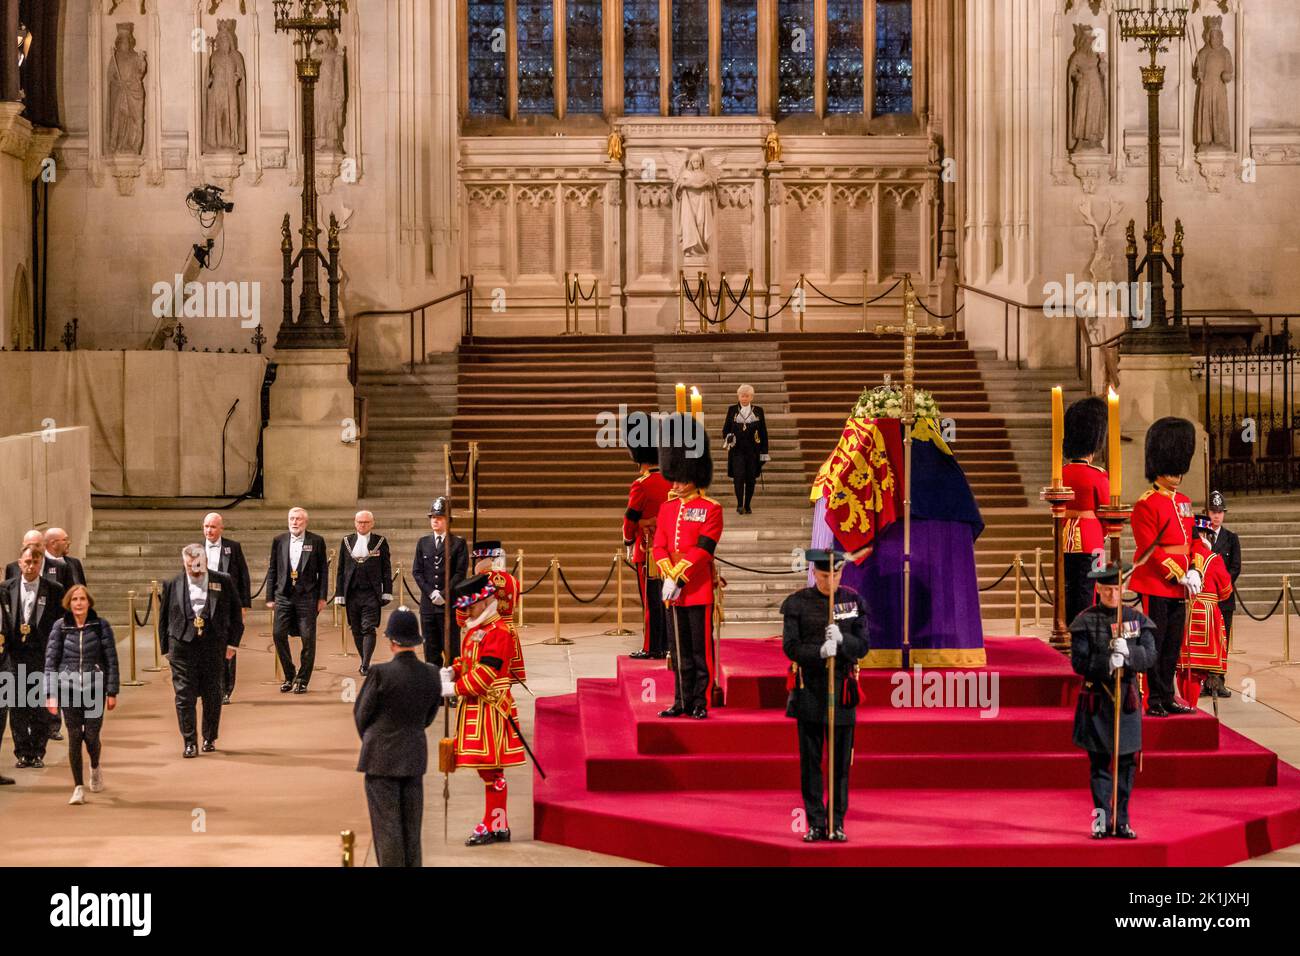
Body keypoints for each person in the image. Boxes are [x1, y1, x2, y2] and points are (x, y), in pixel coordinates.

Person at [781, 549, 869, 843]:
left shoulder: (852, 602)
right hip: (810, 691)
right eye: (823, 575)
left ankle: (837, 821)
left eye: (835, 575)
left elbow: (863, 646)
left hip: (842, 690)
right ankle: (816, 822)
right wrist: (819, 651)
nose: (829, 581)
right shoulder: (797, 603)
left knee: (841, 764)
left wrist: (843, 642)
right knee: (811, 763)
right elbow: (791, 647)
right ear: (813, 574)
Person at [1069, 563, 1157, 839]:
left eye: (1117, 589)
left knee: (1126, 766)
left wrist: (1129, 654)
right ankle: (1100, 821)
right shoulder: (1085, 620)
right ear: (1098, 590)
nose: (1112, 595)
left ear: (1123, 590)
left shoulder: (1137, 619)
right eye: (1107, 590)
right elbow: (1078, 662)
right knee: (1099, 765)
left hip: (1127, 701)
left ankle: (1122, 820)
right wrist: (1108, 660)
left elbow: (1150, 655)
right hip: (1097, 700)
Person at [441, 573, 526, 846]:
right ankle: (496, 823)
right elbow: (467, 660)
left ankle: (496, 824)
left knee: (492, 770)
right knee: (488, 771)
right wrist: (452, 671)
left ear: (484, 602)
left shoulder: (498, 632)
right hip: (477, 707)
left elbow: (485, 674)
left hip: (491, 708)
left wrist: (455, 688)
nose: (465, 613)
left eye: (469, 607)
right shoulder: (478, 628)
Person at [354, 607, 441, 867]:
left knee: (387, 829)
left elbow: (361, 714)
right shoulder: (431, 674)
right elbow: (429, 716)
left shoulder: (380, 674)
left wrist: (373, 739)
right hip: (414, 755)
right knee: (411, 830)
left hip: (380, 758)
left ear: (392, 641)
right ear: (417, 641)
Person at [653, 413, 723, 719]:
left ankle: (699, 701)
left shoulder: (711, 509)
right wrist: (667, 572)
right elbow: (659, 545)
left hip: (697, 590)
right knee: (678, 650)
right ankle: (680, 699)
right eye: (675, 478)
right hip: (673, 591)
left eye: (682, 478)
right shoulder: (667, 508)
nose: (677, 484)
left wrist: (679, 576)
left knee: (699, 651)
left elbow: (704, 549)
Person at [1130, 417, 1198, 717]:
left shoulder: (1183, 501)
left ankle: (1168, 695)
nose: (1178, 474)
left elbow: (1193, 540)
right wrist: (1179, 573)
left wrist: (1195, 568)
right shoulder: (1146, 503)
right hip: (1158, 584)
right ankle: (1154, 699)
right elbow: (1149, 549)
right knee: (1154, 643)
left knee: (1173, 644)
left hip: (1180, 586)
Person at [160, 545, 244, 756]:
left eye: (198, 565)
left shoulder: (222, 580)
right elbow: (163, 619)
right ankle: (189, 741)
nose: (194, 569)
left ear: (205, 561)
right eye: (190, 566)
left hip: (213, 645)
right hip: (181, 645)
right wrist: (165, 649)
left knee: (212, 693)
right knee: (184, 696)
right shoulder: (172, 583)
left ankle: (209, 737)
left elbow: (236, 615)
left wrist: (232, 644)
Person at [43, 585, 119, 805]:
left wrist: (112, 691)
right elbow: (51, 661)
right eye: (75, 599)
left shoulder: (101, 626)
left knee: (92, 736)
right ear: (69, 602)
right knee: (75, 737)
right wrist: (50, 693)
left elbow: (111, 660)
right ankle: (78, 786)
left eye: (82, 599)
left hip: (95, 687)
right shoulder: (60, 627)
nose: (78, 603)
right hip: (68, 688)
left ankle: (95, 766)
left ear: (89, 602)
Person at [2, 546, 64, 768]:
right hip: (14, 656)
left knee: (40, 707)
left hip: (42, 656)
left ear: (41, 565)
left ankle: (38, 752)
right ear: (19, 563)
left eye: (35, 562)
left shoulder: (54, 589)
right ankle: (22, 752)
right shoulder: (5, 589)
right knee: (17, 707)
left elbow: (60, 626)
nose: (30, 566)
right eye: (27, 561)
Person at [266, 507, 329, 694]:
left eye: (298, 519)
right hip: (283, 595)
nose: (294, 522)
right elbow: (272, 569)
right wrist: (270, 596)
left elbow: (323, 571)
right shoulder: (279, 540)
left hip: (307, 597)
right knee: (278, 634)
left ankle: (302, 679)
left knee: (308, 639)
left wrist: (322, 597)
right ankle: (289, 674)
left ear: (305, 522)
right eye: (292, 518)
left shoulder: (316, 541)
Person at [622, 421, 671, 660]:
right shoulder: (673, 481)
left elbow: (630, 519)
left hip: (647, 548)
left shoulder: (641, 484)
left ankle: (652, 646)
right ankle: (668, 643)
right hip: (671, 549)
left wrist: (629, 539)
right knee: (667, 599)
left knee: (651, 602)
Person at [1061, 396, 1110, 623]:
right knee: (1091, 588)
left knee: (1069, 587)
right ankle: (1088, 628)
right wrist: (1106, 532)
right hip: (1093, 539)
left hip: (1065, 537)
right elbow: (1106, 510)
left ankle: (1069, 627)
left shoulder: (1062, 473)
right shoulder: (1097, 475)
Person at [1178, 515, 1232, 708]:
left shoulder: (1182, 556)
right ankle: (1191, 708)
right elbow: (1226, 590)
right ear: (1207, 536)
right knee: (1198, 670)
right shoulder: (1214, 559)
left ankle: (1184, 704)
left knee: (1183, 668)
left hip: (1182, 611)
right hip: (1206, 615)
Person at [335, 510, 393, 676]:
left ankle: (365, 664)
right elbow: (341, 570)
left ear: (372, 523)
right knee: (356, 629)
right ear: (355, 523)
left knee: (368, 628)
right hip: (352, 593)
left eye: (366, 522)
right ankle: (364, 659)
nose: (363, 525)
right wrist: (340, 593)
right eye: (360, 522)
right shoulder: (346, 541)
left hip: (371, 594)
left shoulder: (380, 542)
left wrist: (386, 591)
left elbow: (386, 568)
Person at [201, 513, 252, 703]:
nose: (209, 530)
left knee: (227, 646)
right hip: (204, 605)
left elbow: (243, 576)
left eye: (213, 527)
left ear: (221, 528)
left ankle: (226, 689)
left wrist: (244, 605)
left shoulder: (233, 547)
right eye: (206, 526)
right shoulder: (196, 549)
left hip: (228, 604)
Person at [412, 497, 468, 667]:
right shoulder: (423, 543)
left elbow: (459, 574)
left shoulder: (458, 544)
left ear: (447, 520)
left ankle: (452, 689)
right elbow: (417, 572)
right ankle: (434, 689)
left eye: (439, 517)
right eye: (433, 517)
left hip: (448, 605)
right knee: (430, 650)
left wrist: (444, 594)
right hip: (428, 607)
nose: (435, 521)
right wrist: (431, 592)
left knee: (451, 651)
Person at [465, 541, 526, 686]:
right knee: (506, 674)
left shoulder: (478, 581)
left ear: (480, 560)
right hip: (509, 628)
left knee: (486, 673)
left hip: (488, 631)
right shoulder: (512, 580)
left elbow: (469, 611)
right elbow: (515, 603)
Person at [1204, 490, 1239, 698]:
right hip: (1205, 600)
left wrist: (1220, 587)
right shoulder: (1200, 536)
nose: (1216, 516)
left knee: (1222, 641)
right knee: (1206, 640)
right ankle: (1204, 681)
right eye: (1213, 511)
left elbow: (1235, 568)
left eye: (1220, 512)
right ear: (1207, 513)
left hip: (1224, 599)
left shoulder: (1231, 539)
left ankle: (1219, 681)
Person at [721, 385, 769, 516]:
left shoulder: (759, 411)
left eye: (747, 395)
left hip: (753, 452)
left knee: (751, 479)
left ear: (752, 397)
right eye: (742, 395)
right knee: (738, 478)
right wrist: (729, 437)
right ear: (738, 396)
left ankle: (747, 504)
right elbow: (725, 430)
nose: (744, 398)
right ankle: (739, 504)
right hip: (737, 451)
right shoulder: (732, 410)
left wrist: (764, 453)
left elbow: (763, 433)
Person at [5, 529, 76, 592]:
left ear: (44, 546)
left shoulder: (61, 567)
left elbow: (70, 596)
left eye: (37, 545)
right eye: (29, 545)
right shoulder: (12, 568)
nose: (33, 549)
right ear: (23, 546)